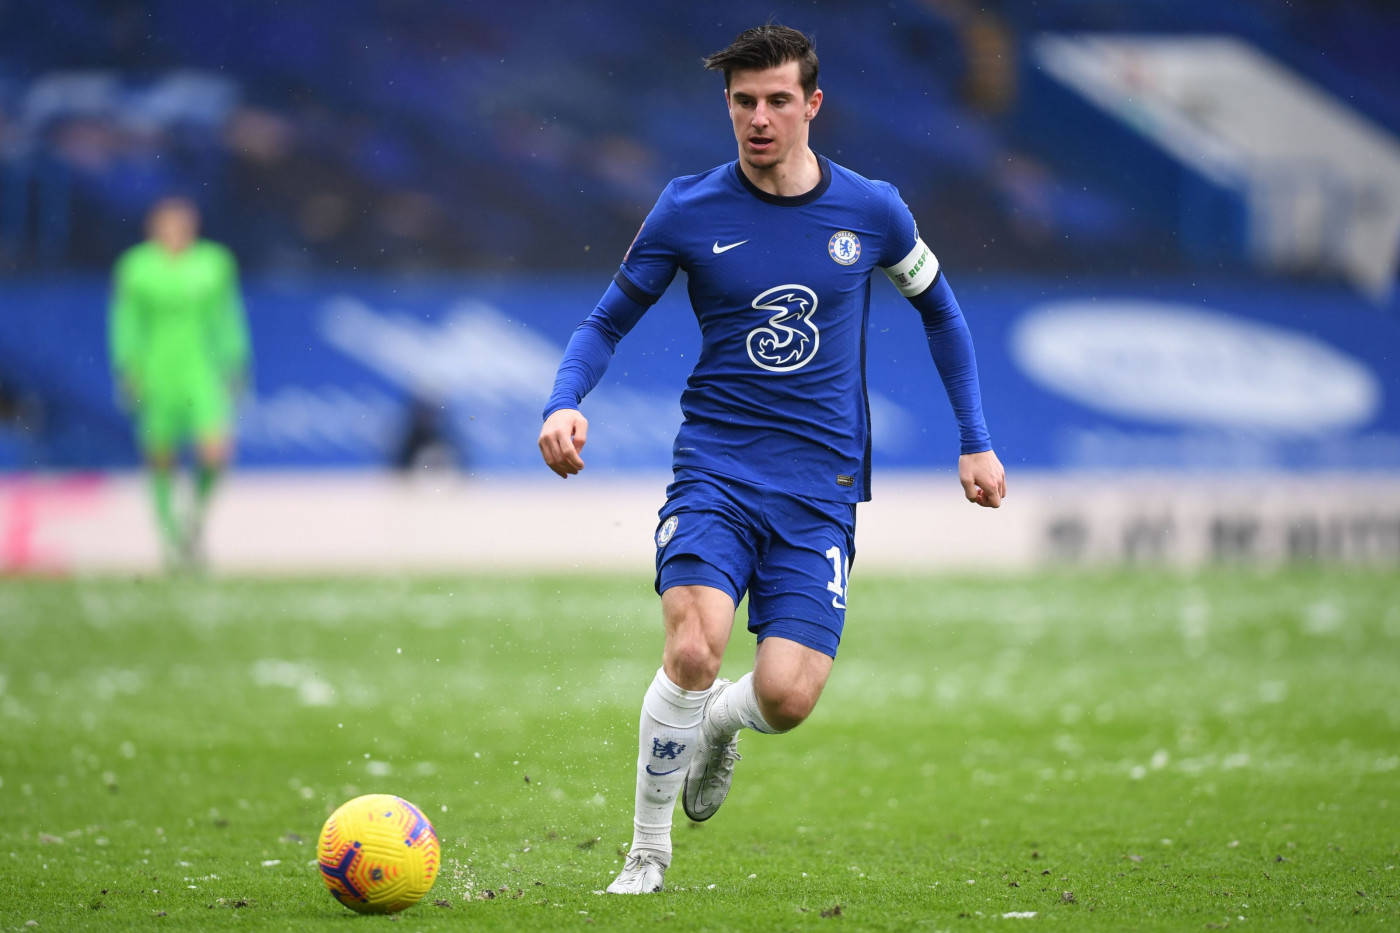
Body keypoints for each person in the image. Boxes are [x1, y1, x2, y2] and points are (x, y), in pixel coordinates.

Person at [538, 25, 1006, 894]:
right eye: (744, 102)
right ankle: (646, 851)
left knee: (787, 698)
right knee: (694, 647)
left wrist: (973, 437)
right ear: (728, 106)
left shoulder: (872, 210)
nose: (759, 118)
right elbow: (604, 320)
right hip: (715, 470)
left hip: (820, 489)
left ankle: (719, 724)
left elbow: (942, 311)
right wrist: (565, 399)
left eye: (777, 101)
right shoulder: (686, 208)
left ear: (811, 105)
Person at [108, 196, 250, 570]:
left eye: (182, 224)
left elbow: (228, 316)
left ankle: (194, 520)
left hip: (202, 370)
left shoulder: (215, 263)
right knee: (161, 457)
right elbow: (126, 320)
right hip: (157, 370)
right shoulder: (136, 267)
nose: (175, 232)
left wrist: (236, 363)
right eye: (168, 224)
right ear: (153, 227)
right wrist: (128, 368)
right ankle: (171, 537)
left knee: (215, 450)